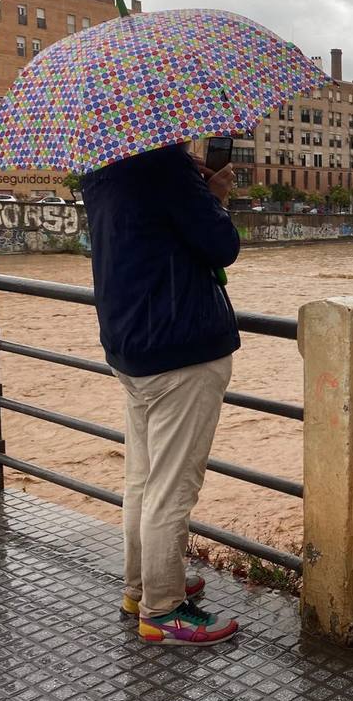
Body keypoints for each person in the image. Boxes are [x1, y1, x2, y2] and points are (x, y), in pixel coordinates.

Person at [81, 141, 241, 646]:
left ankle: (140, 587)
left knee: (143, 480)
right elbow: (221, 246)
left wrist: (190, 184)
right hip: (181, 349)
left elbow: (148, 238)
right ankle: (164, 609)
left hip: (131, 347)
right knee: (172, 489)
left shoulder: (102, 167)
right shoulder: (166, 166)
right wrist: (212, 195)